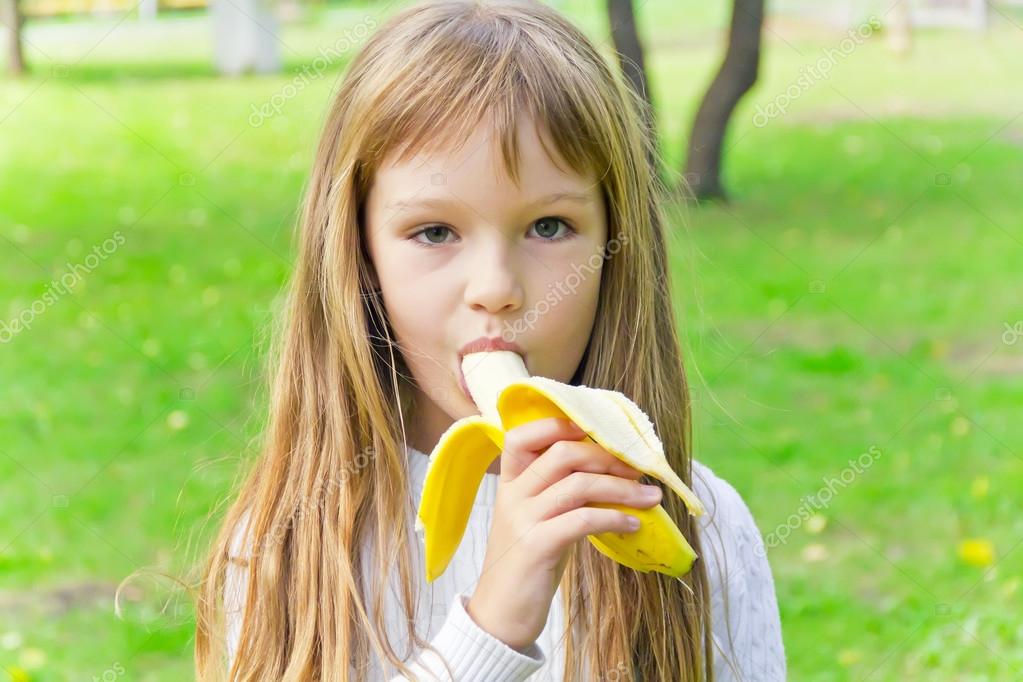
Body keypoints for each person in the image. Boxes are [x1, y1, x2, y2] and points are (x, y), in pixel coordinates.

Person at [192, 1, 786, 679]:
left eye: (549, 227)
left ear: (615, 251)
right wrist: (493, 628)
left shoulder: (701, 531)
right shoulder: (288, 542)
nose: (495, 287)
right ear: (358, 256)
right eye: (435, 233)